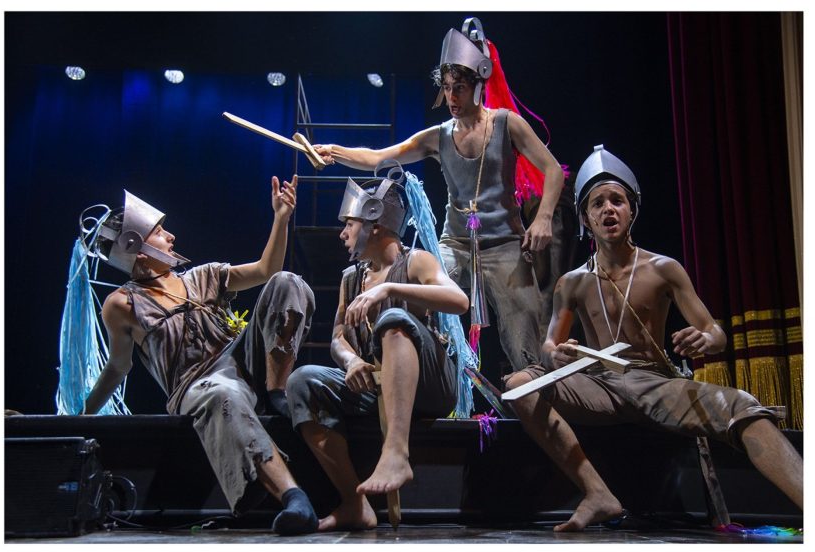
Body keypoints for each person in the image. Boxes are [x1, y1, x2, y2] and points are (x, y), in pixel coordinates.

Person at [504, 145, 803, 531]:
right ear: (585, 218)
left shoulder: (664, 269)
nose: (608, 209)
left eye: (617, 200)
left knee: (744, 406)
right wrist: (556, 356)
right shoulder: (573, 282)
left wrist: (708, 339)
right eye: (597, 204)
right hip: (599, 386)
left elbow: (715, 332)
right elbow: (548, 346)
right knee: (520, 385)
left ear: (633, 209)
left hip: (653, 382)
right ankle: (597, 493)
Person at [313, 17, 566, 376]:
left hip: (504, 244)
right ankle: (427, 373)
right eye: (447, 87)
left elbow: (553, 170)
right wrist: (332, 151)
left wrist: (542, 218)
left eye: (460, 87)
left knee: (524, 324)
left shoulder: (507, 124)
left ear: (478, 85)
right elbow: (379, 157)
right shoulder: (439, 136)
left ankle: (531, 386)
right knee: (414, 288)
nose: (452, 97)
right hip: (456, 243)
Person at [80, 177, 319, 535]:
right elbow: (119, 366)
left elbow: (265, 271)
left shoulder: (202, 277)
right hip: (197, 383)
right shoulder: (122, 304)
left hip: (239, 360)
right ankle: (294, 498)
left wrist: (281, 217)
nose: (171, 237)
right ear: (139, 249)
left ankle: (275, 389)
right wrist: (84, 415)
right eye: (161, 232)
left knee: (288, 282)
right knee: (221, 393)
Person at [285, 165, 469, 531]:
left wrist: (389, 290)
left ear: (376, 225)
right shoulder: (351, 279)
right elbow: (338, 335)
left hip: (430, 387)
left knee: (392, 320)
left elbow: (458, 300)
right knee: (303, 381)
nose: (342, 233)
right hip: (377, 387)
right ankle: (355, 503)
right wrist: (351, 360)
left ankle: (396, 453)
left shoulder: (415, 262)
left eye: (349, 224)